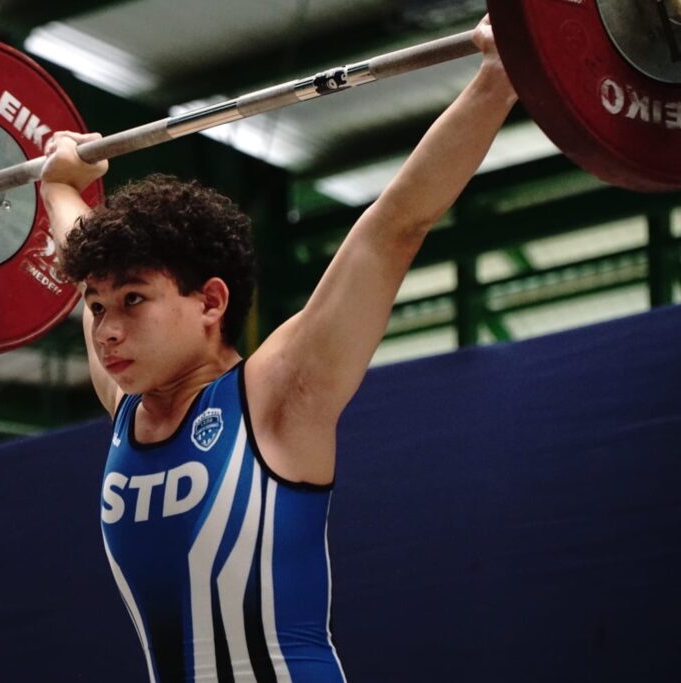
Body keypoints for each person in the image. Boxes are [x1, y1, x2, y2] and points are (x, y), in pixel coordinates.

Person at [38, 16, 517, 683]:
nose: (106, 330)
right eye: (96, 308)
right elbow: (80, 249)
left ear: (210, 302)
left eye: (134, 300)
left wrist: (500, 79)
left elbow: (392, 230)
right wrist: (59, 185)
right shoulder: (127, 404)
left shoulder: (277, 392)